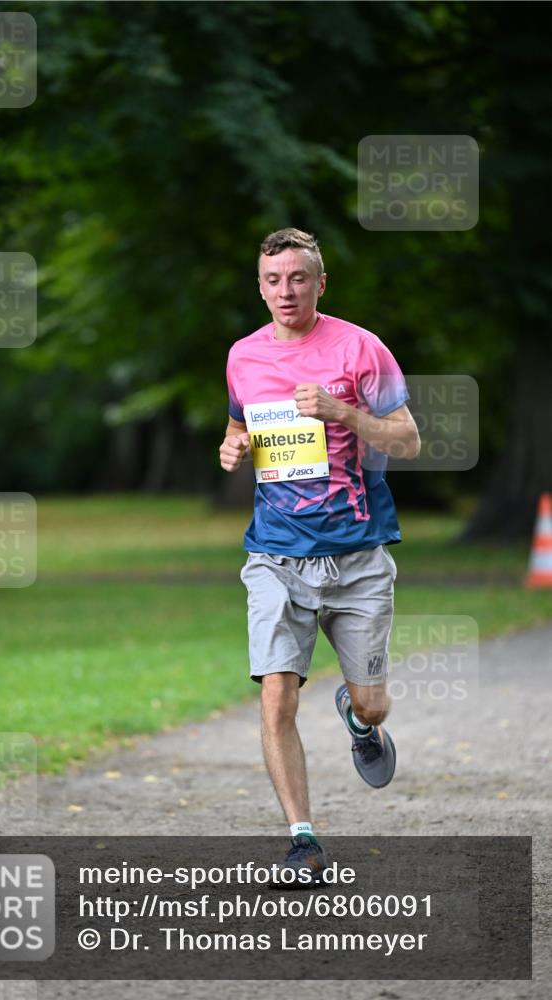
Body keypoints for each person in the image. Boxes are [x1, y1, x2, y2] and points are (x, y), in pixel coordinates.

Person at [219, 228, 420, 882]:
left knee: (373, 705)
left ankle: (359, 725)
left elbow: (408, 441)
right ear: (259, 285)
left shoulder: (360, 348)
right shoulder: (242, 357)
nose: (285, 291)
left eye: (297, 278)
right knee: (276, 694)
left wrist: (342, 411)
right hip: (275, 553)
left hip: (357, 555)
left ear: (319, 282)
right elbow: (239, 424)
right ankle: (301, 840)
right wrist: (232, 447)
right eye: (273, 280)